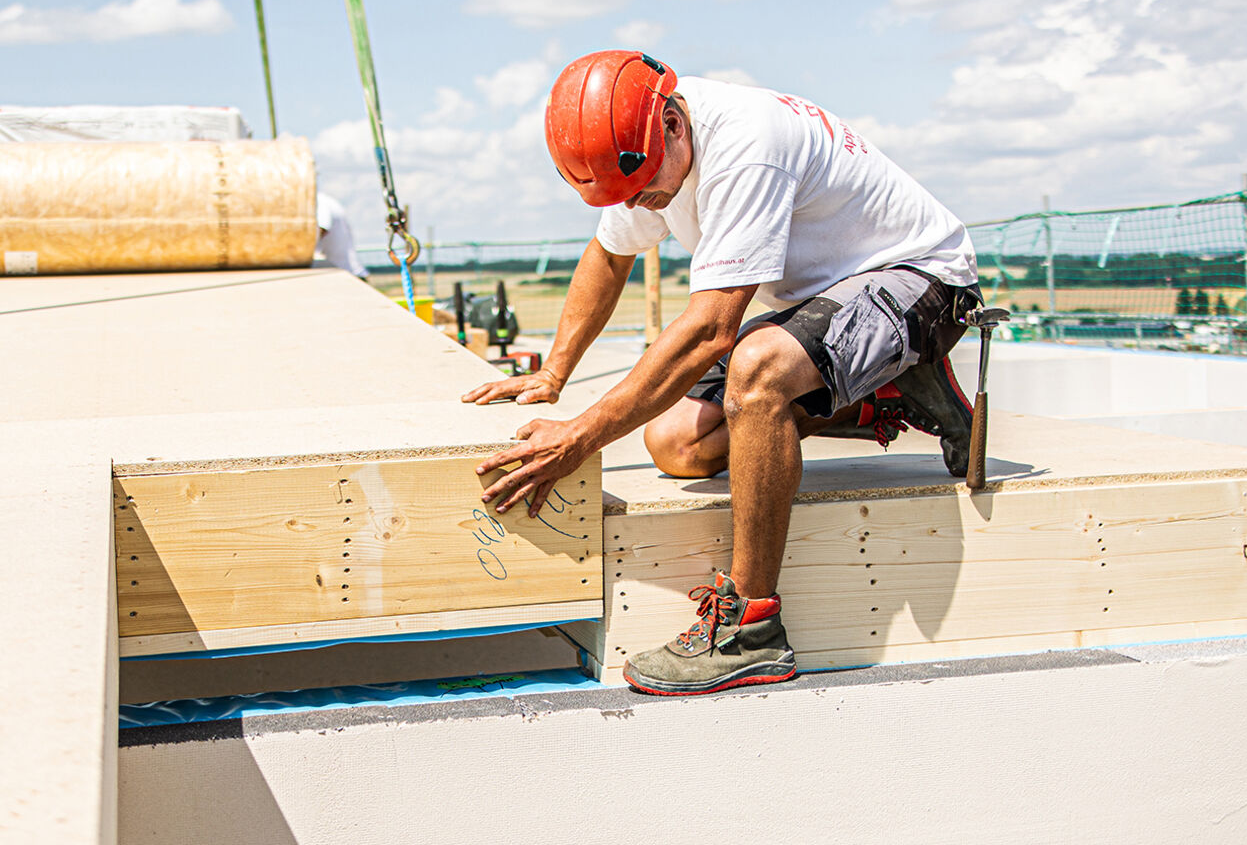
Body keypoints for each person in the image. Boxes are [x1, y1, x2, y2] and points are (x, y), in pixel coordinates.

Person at [461, 50, 980, 696]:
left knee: (757, 372)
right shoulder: (641, 147)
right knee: (675, 444)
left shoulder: (745, 145)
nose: (644, 203)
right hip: (823, 300)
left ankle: (752, 630)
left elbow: (711, 329)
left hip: (920, 282)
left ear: (674, 125)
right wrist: (553, 375)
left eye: (648, 188)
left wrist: (580, 435)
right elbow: (609, 254)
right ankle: (885, 399)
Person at [316, 192, 368, 279]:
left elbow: (321, 230)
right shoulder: (320, 201)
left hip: (349, 276)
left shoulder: (320, 202)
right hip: (338, 275)